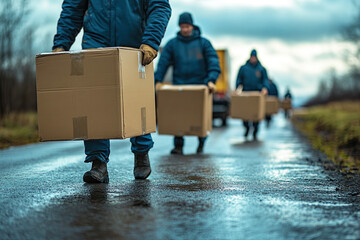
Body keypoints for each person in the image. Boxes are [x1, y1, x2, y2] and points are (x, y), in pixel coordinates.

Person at [52, 0, 171, 183]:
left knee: (136, 102)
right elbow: (73, 8)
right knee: (94, 103)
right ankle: (98, 162)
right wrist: (61, 43)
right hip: (96, 43)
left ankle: (141, 152)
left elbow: (159, 5)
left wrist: (151, 41)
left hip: (135, 45)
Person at [155, 12, 220, 155]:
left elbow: (213, 61)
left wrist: (211, 80)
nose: (185, 29)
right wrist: (157, 80)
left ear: (192, 26)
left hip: (200, 86)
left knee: (200, 116)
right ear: (179, 27)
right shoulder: (172, 44)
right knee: (179, 116)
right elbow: (163, 63)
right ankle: (178, 146)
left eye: (187, 26)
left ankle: (201, 143)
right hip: (180, 86)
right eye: (182, 26)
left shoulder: (203, 43)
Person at [235, 49, 269, 141]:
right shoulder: (243, 68)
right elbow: (239, 79)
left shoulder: (261, 69)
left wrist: (265, 88)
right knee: (245, 113)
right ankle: (246, 128)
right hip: (246, 93)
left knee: (256, 115)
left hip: (257, 94)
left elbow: (265, 80)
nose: (253, 58)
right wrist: (238, 87)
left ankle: (255, 130)